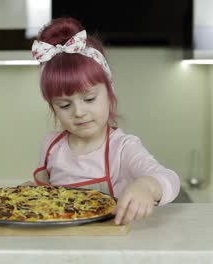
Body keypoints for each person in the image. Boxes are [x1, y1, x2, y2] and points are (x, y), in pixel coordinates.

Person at [27, 17, 180, 225]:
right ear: (52, 107)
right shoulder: (51, 146)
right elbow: (45, 195)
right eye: (64, 105)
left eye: (89, 99)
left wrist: (147, 186)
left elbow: (170, 179)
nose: (79, 112)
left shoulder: (123, 148)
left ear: (109, 92)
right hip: (61, 244)